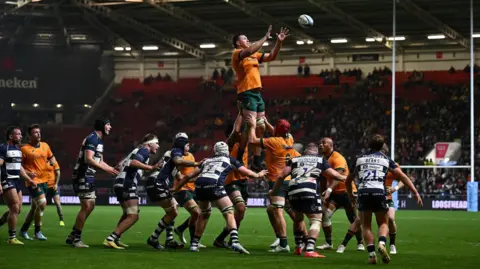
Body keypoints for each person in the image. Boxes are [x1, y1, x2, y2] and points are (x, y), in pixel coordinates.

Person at [173, 141, 267, 254]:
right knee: (229, 211)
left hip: (199, 185)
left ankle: (194, 244)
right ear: (226, 150)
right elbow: (247, 173)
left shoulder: (207, 160)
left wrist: (176, 188)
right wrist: (258, 174)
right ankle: (235, 242)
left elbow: (188, 176)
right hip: (214, 184)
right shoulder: (229, 159)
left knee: (204, 214)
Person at [346, 134, 422, 264]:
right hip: (379, 192)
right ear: (382, 146)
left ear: (368, 144)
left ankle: (371, 255)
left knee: (366, 225)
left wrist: (351, 195)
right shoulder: (386, 159)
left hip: (364, 192)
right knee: (383, 223)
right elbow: (403, 177)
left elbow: (348, 180)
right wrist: (415, 192)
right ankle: (382, 243)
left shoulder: (359, 159)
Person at [231, 26, 290, 170]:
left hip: (257, 93)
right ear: (238, 43)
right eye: (244, 38)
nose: (247, 40)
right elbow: (251, 50)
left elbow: (271, 56)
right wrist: (264, 38)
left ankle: (256, 159)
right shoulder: (237, 53)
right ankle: (239, 155)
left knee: (261, 125)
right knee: (250, 125)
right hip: (246, 92)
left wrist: (279, 42)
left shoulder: (254, 55)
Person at [272, 143, 346, 258]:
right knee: (316, 219)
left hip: (293, 189)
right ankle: (310, 249)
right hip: (309, 188)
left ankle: (298, 247)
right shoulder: (320, 159)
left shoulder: (294, 159)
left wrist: (274, 191)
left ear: (305, 152)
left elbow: (282, 176)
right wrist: (344, 178)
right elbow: (332, 174)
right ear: (315, 151)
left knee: (298, 218)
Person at [246, 116, 303, 252]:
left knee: (278, 211)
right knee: (278, 211)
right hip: (291, 179)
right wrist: (266, 122)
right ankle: (303, 239)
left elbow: (252, 140)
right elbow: (277, 132)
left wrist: (252, 126)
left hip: (278, 180)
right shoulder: (289, 138)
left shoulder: (273, 141)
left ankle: (283, 244)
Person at [66, 118, 119, 248]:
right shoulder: (92, 139)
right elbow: (88, 159)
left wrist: (111, 169)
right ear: (102, 126)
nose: (110, 127)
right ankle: (76, 239)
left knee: (91, 205)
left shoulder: (99, 141)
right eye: (108, 124)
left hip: (89, 175)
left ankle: (73, 235)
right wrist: (105, 169)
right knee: (86, 206)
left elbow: (100, 161)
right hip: (82, 174)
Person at [104, 133, 161, 249]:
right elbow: (134, 163)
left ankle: (116, 238)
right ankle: (111, 238)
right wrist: (151, 167)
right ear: (149, 144)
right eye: (157, 143)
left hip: (120, 183)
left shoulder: (137, 150)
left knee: (126, 214)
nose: (158, 146)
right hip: (127, 184)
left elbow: (121, 164)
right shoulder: (144, 150)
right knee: (133, 216)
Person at [146, 133, 202, 250]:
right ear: (182, 145)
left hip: (155, 182)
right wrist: (196, 164)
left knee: (173, 209)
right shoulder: (176, 151)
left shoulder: (170, 156)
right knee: (173, 212)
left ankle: (169, 239)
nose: (188, 147)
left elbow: (180, 177)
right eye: (187, 145)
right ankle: (154, 238)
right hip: (158, 182)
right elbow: (177, 161)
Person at [315, 137, 364, 252]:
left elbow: (338, 176)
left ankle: (360, 242)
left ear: (331, 146)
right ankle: (328, 242)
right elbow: (323, 178)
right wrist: (323, 193)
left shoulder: (338, 158)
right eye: (320, 143)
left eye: (324, 143)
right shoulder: (322, 160)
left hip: (347, 192)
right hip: (334, 194)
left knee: (353, 218)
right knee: (324, 215)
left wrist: (329, 190)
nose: (320, 145)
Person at [19, 124, 59, 241]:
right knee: (42, 203)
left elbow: (52, 158)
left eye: (39, 132)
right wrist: (27, 173)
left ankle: (23, 230)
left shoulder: (45, 146)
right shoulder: (24, 149)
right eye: (35, 132)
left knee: (34, 208)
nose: (38, 134)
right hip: (32, 181)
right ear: (29, 136)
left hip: (44, 180)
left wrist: (52, 162)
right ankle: (37, 232)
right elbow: (18, 166)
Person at [214, 123, 249, 248]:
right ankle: (234, 240)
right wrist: (240, 113)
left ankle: (223, 239)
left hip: (243, 181)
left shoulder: (244, 143)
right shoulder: (229, 145)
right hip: (231, 181)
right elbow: (236, 131)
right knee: (240, 208)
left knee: (240, 213)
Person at [0, 126, 36, 245]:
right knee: (14, 207)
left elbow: (19, 168)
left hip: (17, 181)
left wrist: (28, 178)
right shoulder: (3, 148)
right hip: (7, 180)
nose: (21, 136)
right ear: (11, 136)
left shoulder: (18, 150)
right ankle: (12, 238)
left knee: (17, 209)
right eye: (18, 134)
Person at [172, 142, 205, 248]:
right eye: (186, 145)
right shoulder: (177, 157)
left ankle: (182, 230)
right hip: (182, 189)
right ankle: (193, 240)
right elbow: (180, 177)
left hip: (192, 189)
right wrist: (196, 177)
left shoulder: (191, 156)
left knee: (199, 214)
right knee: (197, 212)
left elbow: (193, 171)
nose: (188, 147)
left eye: (189, 145)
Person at [381, 143, 404, 255]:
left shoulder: (392, 165)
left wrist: (395, 188)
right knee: (361, 220)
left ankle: (392, 244)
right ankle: (359, 244)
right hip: (373, 197)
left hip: (387, 197)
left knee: (390, 219)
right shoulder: (371, 164)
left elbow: (403, 179)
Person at [46, 159, 64, 226]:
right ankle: (37, 221)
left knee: (57, 203)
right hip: (44, 186)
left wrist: (56, 184)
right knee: (40, 204)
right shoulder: (41, 162)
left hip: (53, 186)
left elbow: (58, 173)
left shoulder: (53, 162)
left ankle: (61, 220)